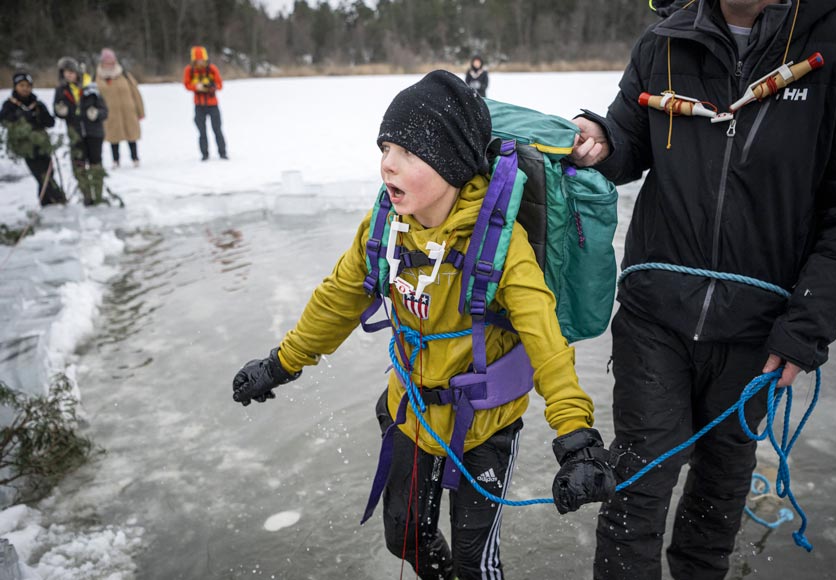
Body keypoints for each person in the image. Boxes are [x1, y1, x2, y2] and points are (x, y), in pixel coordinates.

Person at [232, 70, 615, 580]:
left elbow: (547, 343)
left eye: (408, 153)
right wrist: (281, 364)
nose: (388, 164)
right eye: (385, 147)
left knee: (475, 564)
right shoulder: (385, 229)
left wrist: (577, 438)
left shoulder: (501, 247)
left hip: (485, 427)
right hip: (409, 410)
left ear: (452, 163)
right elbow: (337, 300)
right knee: (403, 537)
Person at [568, 1, 836, 579]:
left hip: (761, 328)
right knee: (637, 482)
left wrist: (808, 324)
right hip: (655, 313)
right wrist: (603, 139)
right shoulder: (663, 41)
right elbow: (630, 138)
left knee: (721, 488)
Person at [0, 71, 66, 206]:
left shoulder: (37, 104)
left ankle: (46, 202)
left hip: (42, 144)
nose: (25, 88)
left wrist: (41, 117)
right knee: (42, 175)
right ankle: (59, 199)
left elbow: (50, 122)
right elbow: (4, 121)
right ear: (15, 87)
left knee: (49, 172)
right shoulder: (10, 105)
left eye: (28, 86)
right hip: (27, 147)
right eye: (22, 85)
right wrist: (20, 118)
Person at [53, 56, 108, 206]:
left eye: (71, 71)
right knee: (78, 165)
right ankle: (87, 196)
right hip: (75, 134)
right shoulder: (61, 90)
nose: (68, 75)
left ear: (77, 72)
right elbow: (56, 110)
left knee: (96, 164)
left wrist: (96, 114)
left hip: (94, 133)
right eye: (65, 72)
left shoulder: (91, 87)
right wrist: (60, 111)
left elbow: (105, 111)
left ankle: (98, 195)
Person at [96, 48, 144, 169]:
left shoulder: (124, 75)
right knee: (113, 137)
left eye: (112, 62)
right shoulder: (97, 78)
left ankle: (135, 158)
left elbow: (136, 93)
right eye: (107, 62)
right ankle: (115, 160)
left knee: (131, 135)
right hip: (110, 113)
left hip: (128, 111)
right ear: (102, 63)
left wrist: (140, 111)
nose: (110, 65)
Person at [183, 45, 227, 161]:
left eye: (202, 60)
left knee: (217, 129)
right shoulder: (189, 70)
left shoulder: (212, 69)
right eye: (197, 61)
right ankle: (204, 154)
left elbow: (220, 84)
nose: (200, 63)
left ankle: (222, 153)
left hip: (213, 104)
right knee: (202, 131)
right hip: (199, 105)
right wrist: (196, 87)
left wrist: (212, 87)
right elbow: (187, 85)